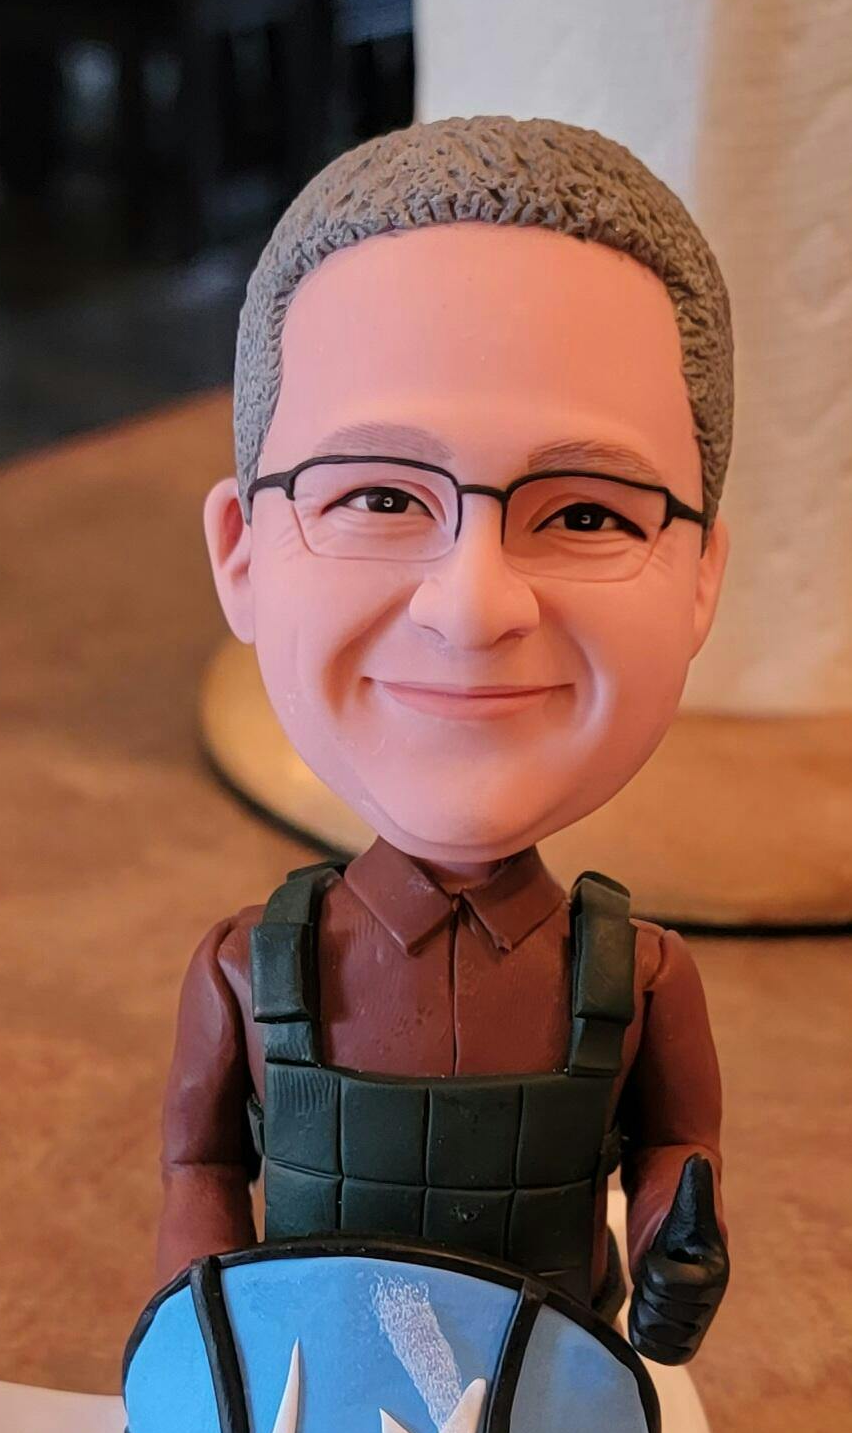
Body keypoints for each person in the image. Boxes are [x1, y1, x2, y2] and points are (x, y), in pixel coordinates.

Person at [160, 114, 734, 1363]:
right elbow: (199, 1169)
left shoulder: (636, 980)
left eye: (585, 513)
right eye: (379, 496)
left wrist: (676, 1252)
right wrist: (201, 1352)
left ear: (702, 575)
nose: (473, 609)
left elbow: (676, 1153)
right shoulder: (247, 971)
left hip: (553, 1411)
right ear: (240, 554)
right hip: (301, 1413)